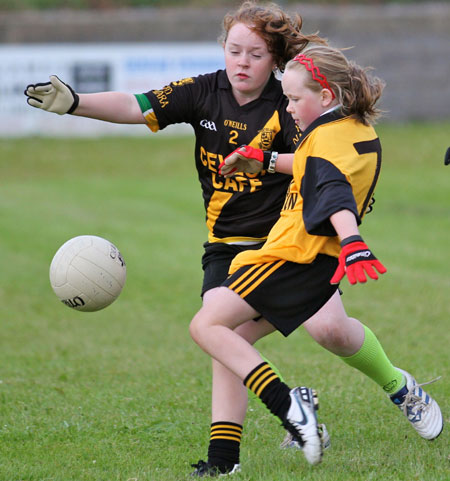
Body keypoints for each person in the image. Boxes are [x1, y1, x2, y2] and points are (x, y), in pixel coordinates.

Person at [24, 1, 334, 475]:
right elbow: (136, 104)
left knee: (327, 331)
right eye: (234, 51)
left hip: (282, 246)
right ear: (223, 50)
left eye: (254, 54)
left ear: (274, 60)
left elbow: (326, 161)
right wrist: (75, 103)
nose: (242, 63)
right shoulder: (204, 92)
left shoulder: (288, 106)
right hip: (224, 247)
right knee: (220, 334)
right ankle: (235, 451)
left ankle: (309, 408)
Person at [189, 44, 443, 475]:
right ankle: (224, 460)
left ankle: (292, 409)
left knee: (207, 325)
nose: (287, 109)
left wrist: (353, 240)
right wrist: (265, 160)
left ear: (325, 96)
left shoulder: (324, 139)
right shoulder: (349, 129)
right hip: (314, 265)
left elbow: (332, 190)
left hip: (291, 256)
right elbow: (315, 166)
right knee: (238, 337)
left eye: (293, 99)